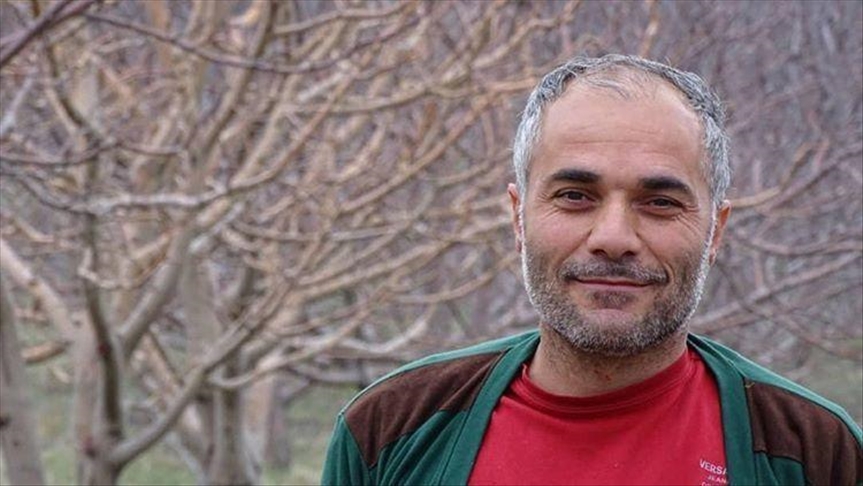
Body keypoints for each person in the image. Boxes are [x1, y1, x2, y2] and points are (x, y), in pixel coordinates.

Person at [321, 54, 863, 486]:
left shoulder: (812, 452)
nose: (613, 238)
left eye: (660, 203)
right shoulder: (392, 431)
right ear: (518, 216)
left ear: (715, 232)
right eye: (575, 196)